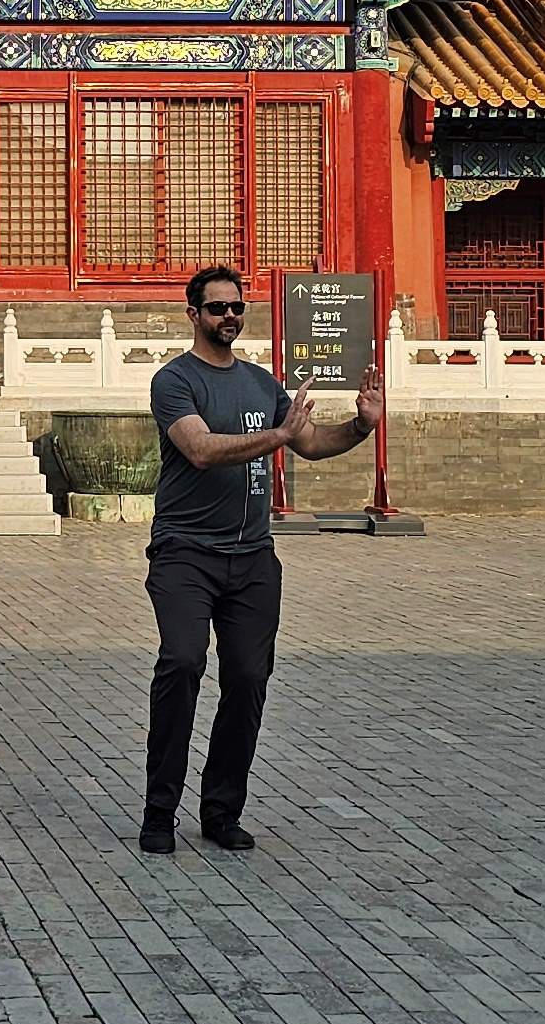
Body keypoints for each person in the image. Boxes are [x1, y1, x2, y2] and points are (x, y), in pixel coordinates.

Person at [139, 263, 376, 855]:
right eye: (217, 308)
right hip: (185, 554)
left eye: (236, 308)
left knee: (247, 679)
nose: (229, 317)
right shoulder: (175, 382)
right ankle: (159, 809)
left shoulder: (261, 384)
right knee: (182, 662)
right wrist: (274, 438)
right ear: (193, 315)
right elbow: (197, 450)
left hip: (252, 560)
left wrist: (360, 425)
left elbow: (312, 443)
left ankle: (221, 811)